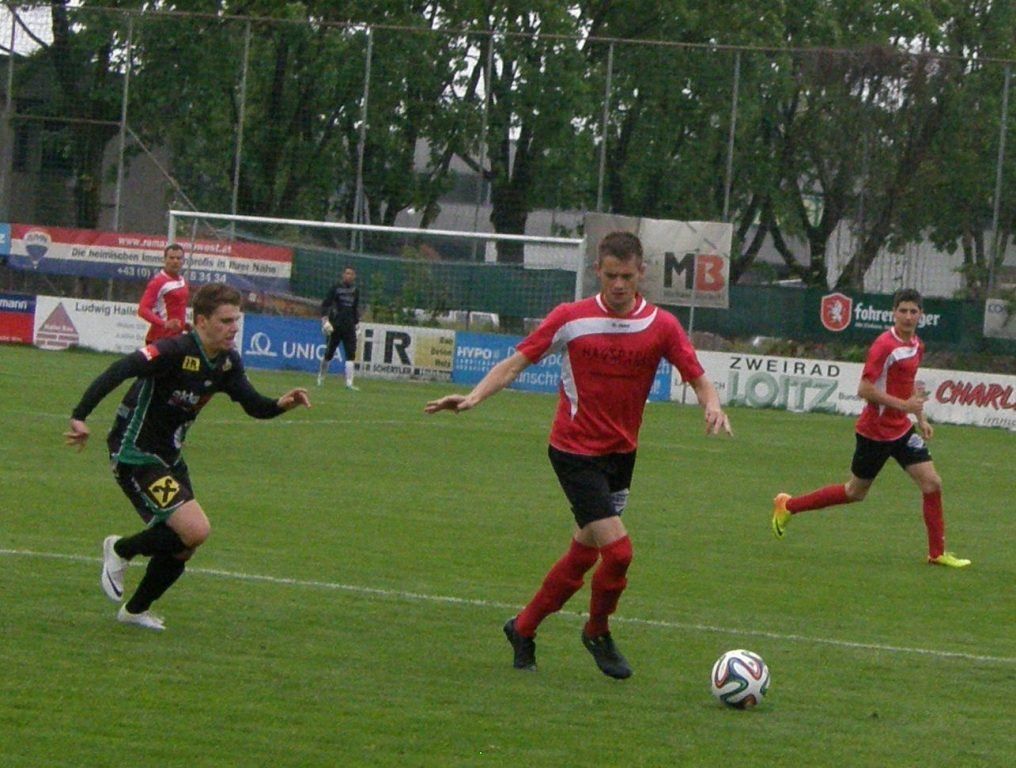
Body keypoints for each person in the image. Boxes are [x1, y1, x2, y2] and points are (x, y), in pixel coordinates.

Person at [425, 231, 732, 679]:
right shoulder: (571, 318)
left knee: (584, 553)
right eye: (611, 276)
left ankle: (523, 627)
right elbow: (515, 363)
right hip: (574, 451)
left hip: (620, 456)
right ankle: (597, 631)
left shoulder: (661, 325)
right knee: (619, 553)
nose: (619, 284)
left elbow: (698, 377)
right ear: (597, 272)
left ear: (641, 273)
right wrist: (474, 397)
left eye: (627, 276)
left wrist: (712, 405)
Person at [65, 283, 312, 631]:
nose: (234, 328)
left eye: (236, 320)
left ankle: (134, 611)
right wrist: (80, 415)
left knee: (185, 544)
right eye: (226, 321)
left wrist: (281, 404)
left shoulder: (226, 363)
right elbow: (120, 369)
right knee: (195, 529)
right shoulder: (174, 350)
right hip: (135, 453)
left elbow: (254, 405)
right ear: (202, 321)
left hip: (170, 457)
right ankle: (120, 549)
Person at [771, 288, 970, 568]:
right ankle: (788, 506)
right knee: (855, 492)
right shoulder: (883, 346)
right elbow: (864, 389)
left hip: (902, 430)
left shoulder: (917, 345)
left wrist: (920, 418)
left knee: (932, 483)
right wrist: (904, 406)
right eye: (903, 311)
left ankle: (937, 554)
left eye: (913, 311)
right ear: (894, 313)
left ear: (921, 315)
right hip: (875, 432)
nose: (908, 316)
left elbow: (909, 385)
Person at [318, 266, 360, 389]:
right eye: (347, 273)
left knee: (351, 354)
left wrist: (357, 324)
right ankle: (321, 377)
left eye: (351, 274)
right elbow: (326, 304)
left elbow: (354, 309)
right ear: (343, 275)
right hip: (335, 326)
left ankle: (349, 383)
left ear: (354, 276)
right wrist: (325, 321)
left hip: (349, 327)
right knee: (329, 353)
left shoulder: (355, 290)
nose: (348, 276)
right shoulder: (336, 288)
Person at [138, 243, 189, 344]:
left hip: (176, 338)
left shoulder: (182, 281)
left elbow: (176, 310)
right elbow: (142, 310)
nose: (175, 261)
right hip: (159, 339)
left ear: (183, 261)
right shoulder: (158, 282)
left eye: (178, 258)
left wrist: (185, 325)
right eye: (171, 258)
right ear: (165, 260)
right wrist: (164, 324)